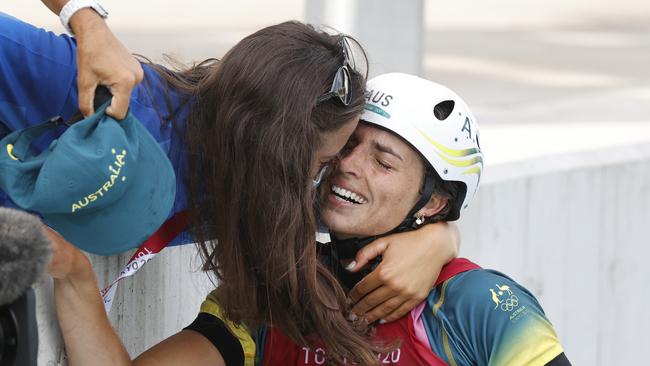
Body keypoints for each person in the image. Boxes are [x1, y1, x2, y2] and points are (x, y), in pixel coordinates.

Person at [1, 8, 460, 365]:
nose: (321, 184)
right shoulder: (126, 107)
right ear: (271, 153)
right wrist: (84, 18)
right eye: (319, 164)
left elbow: (372, 207)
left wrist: (438, 238)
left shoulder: (262, 193)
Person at [182, 73, 570, 365]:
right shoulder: (274, 287)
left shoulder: (477, 304)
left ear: (433, 203)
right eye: (347, 145)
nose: (348, 165)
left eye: (383, 162)